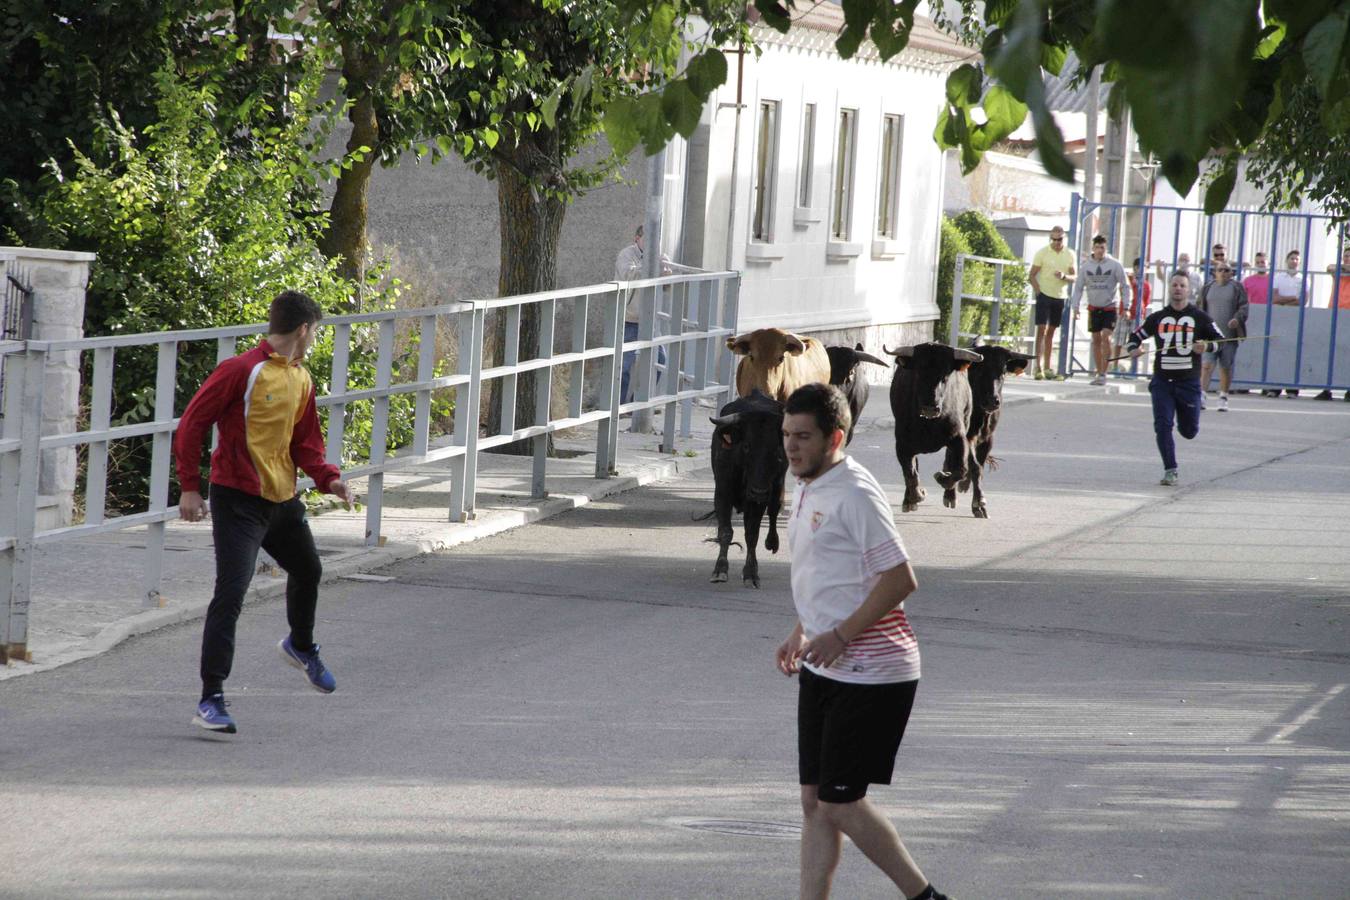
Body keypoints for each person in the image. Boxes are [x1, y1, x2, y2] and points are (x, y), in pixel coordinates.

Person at [776, 383, 950, 900]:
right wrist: (802, 628)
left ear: (835, 436)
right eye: (786, 434)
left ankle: (926, 897)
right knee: (815, 801)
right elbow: (829, 572)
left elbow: (900, 580)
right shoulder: (809, 482)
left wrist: (840, 634)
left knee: (840, 803)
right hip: (825, 663)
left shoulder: (854, 492)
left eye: (802, 437)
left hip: (875, 670)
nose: (790, 446)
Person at [174, 290, 354, 734]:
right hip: (238, 500)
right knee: (230, 594)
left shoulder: (301, 379)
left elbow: (305, 441)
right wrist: (190, 488)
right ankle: (210, 698)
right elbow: (193, 423)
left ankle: (301, 645)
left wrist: (328, 477)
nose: (313, 340)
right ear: (304, 330)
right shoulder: (240, 370)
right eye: (314, 333)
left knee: (309, 570)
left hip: (282, 500)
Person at [1128, 272, 1225, 486]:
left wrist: (1206, 346)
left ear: (1188, 290)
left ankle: (1190, 416)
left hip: (1188, 382)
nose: (1178, 289)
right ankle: (1170, 469)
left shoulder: (1200, 317)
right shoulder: (1158, 318)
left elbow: (1222, 340)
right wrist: (1134, 348)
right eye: (1174, 285)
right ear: (1169, 289)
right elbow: (1135, 336)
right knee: (1162, 425)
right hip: (1162, 381)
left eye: (1182, 285)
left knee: (1189, 431)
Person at [615, 224, 672, 405]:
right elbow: (627, 274)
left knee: (660, 359)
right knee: (624, 364)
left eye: (656, 240)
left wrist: (665, 274)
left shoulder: (660, 258)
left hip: (649, 320)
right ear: (637, 238)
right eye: (647, 239)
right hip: (629, 317)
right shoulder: (626, 254)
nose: (652, 244)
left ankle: (636, 403)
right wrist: (652, 267)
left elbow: (667, 287)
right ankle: (618, 406)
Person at [1070, 234, 1129, 385]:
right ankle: (1098, 371)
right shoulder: (1086, 266)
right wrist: (1075, 307)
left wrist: (1126, 306)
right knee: (1096, 339)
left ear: (1106, 248)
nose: (1099, 250)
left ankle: (1104, 372)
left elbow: (1124, 284)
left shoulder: (1115, 264)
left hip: (1110, 307)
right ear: (1093, 248)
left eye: (1102, 247)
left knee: (1106, 338)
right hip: (1093, 308)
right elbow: (1078, 288)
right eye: (1097, 247)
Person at [1197, 263, 1249, 412]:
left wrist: (1237, 319)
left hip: (1229, 336)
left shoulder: (1237, 287)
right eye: (1220, 270)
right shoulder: (1208, 288)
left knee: (1226, 367)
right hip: (1210, 336)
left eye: (1227, 270)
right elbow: (1200, 307)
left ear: (1231, 273)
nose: (1224, 273)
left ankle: (1223, 396)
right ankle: (1201, 395)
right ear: (1215, 272)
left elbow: (1244, 307)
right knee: (1206, 365)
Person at [1028, 226, 1076, 380]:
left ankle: (1048, 367)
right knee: (1041, 329)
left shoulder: (1069, 254)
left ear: (1064, 238)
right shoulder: (1042, 252)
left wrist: (1064, 277)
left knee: (1051, 332)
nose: (1056, 242)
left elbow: (1074, 276)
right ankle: (1038, 367)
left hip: (1059, 296)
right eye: (1053, 239)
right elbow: (1032, 275)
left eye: (1059, 239)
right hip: (1044, 294)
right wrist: (1038, 291)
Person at [1269, 250, 1307, 397]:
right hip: (1279, 317)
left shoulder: (1304, 279)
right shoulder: (1278, 277)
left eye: (1297, 259)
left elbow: (1303, 301)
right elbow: (1274, 298)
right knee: (1277, 352)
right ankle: (1274, 387)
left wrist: (1284, 301)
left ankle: (1292, 388)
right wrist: (1292, 298)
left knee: (1293, 353)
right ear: (1287, 260)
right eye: (1292, 258)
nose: (1294, 261)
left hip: (1296, 319)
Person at [1315, 247, 1350, 400]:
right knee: (1330, 354)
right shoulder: (1339, 273)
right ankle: (1327, 388)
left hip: (1348, 314)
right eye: (1346, 256)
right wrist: (1343, 267)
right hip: (1334, 313)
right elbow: (1329, 267)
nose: (1347, 258)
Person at [1113, 257, 1152, 371]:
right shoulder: (1128, 280)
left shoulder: (1146, 285)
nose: (1142, 270)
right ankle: (1114, 366)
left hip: (1137, 315)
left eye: (1145, 267)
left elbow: (1146, 301)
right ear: (1135, 267)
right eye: (1140, 267)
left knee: (1135, 341)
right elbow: (1122, 291)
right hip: (1125, 313)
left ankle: (1133, 367)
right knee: (1119, 341)